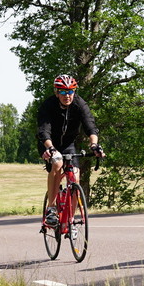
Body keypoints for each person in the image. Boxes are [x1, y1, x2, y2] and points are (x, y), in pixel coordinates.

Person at [37, 74, 105, 228]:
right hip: (48, 143)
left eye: (70, 91)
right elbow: (43, 130)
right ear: (56, 92)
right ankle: (51, 208)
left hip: (68, 144)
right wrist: (51, 148)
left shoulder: (79, 104)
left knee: (75, 175)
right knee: (57, 162)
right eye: (62, 92)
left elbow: (90, 126)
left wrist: (94, 145)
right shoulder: (48, 105)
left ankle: (70, 220)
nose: (67, 95)